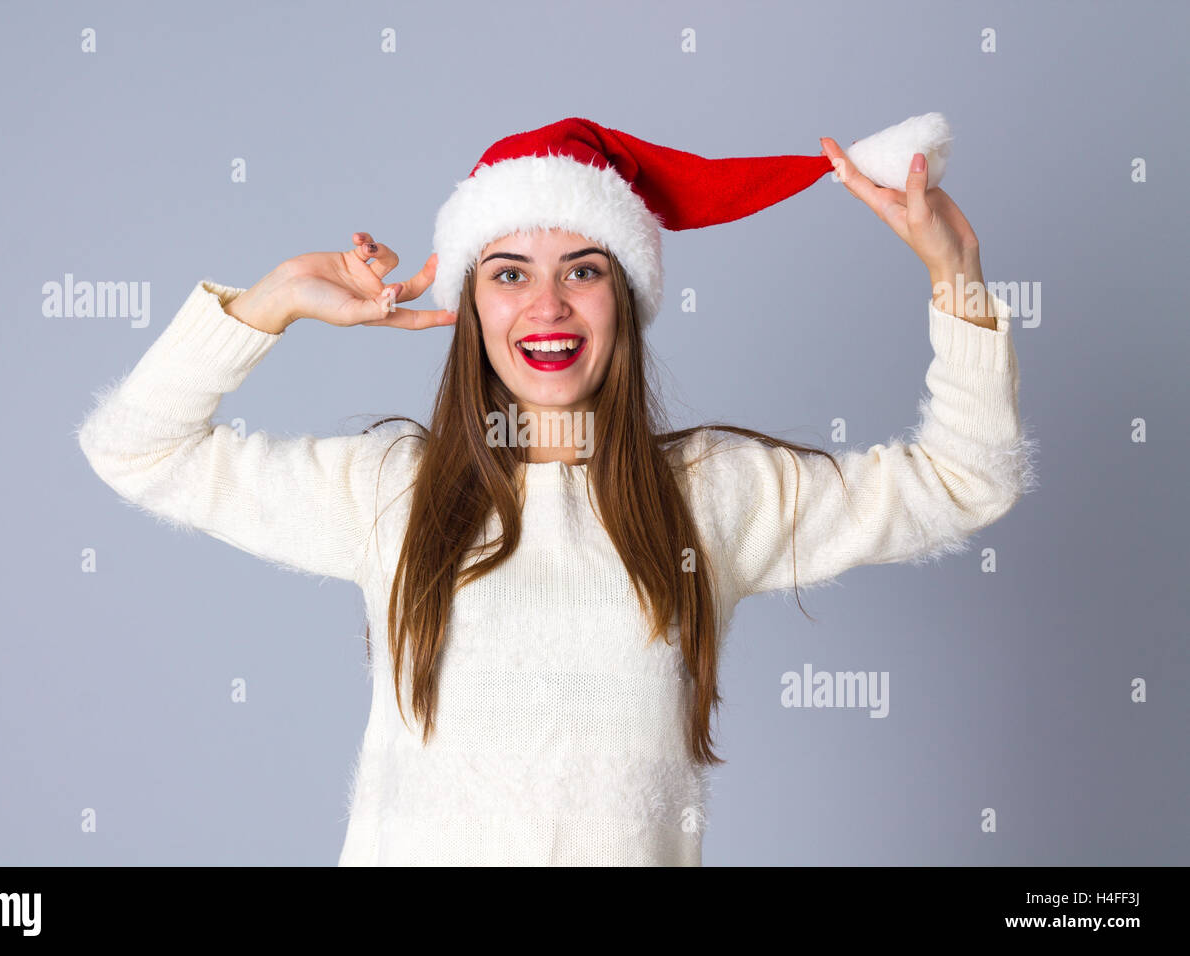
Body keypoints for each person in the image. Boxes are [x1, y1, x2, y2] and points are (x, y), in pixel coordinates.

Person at [75, 117, 1037, 866]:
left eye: (582, 270)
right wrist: (273, 298)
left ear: (624, 297)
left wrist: (957, 278)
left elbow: (967, 478)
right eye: (508, 274)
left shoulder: (711, 494)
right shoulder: (389, 494)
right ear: (470, 306)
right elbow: (137, 448)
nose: (547, 306)